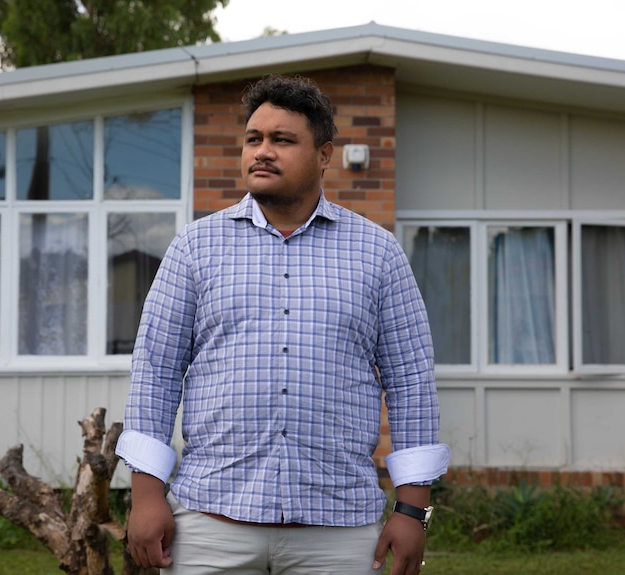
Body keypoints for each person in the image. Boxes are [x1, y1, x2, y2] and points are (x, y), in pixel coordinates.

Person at [116, 74, 450, 575]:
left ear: (324, 155)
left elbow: (411, 384)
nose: (263, 151)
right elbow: (155, 373)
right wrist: (146, 496)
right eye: (254, 139)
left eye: (282, 140)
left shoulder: (378, 255)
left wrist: (414, 513)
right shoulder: (194, 249)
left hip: (339, 532)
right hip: (210, 525)